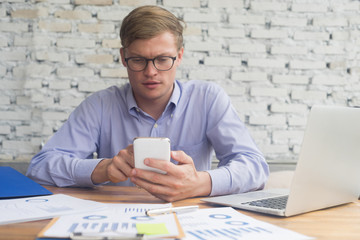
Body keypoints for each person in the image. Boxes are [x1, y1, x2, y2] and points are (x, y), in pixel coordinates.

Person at [26, 5, 269, 202]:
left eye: (163, 59)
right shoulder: (99, 105)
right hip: (114, 220)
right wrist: (103, 169)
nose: (151, 72)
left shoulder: (208, 99)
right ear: (123, 57)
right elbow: (40, 167)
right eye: (139, 60)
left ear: (180, 56)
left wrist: (200, 183)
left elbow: (255, 166)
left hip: (190, 220)